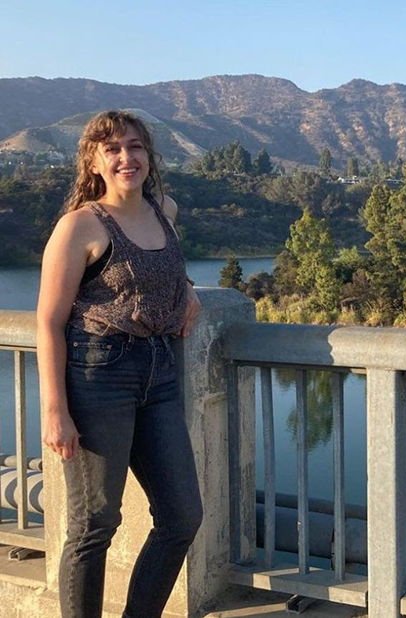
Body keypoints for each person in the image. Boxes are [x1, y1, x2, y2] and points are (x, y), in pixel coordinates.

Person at [36, 110, 203, 618]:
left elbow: (163, 272)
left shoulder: (163, 209)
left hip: (159, 374)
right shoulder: (81, 226)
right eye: (112, 149)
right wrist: (54, 410)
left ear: (150, 156)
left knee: (181, 517)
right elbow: (48, 322)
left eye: (135, 146)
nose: (126, 157)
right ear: (94, 160)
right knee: (95, 523)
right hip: (98, 375)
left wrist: (189, 289)